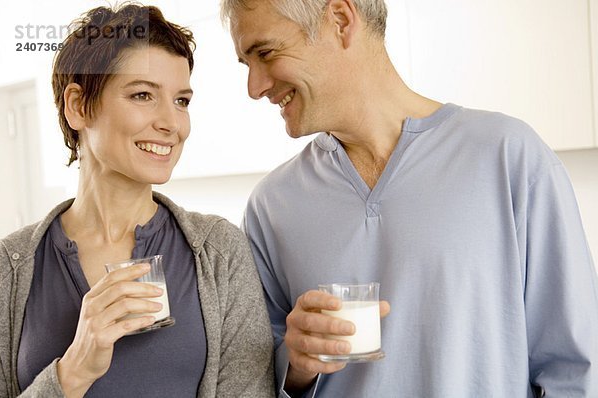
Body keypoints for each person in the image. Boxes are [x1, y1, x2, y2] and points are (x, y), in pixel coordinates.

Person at [220, 0, 598, 396]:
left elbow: (574, 371)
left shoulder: (508, 157)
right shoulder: (271, 206)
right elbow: (252, 379)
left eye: (265, 53)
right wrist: (295, 367)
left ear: (340, 20)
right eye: (247, 65)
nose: (255, 87)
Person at [0, 4, 275, 397]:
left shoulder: (220, 252)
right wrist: (72, 372)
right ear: (78, 106)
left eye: (181, 101)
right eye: (143, 95)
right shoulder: (8, 270)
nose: (171, 123)